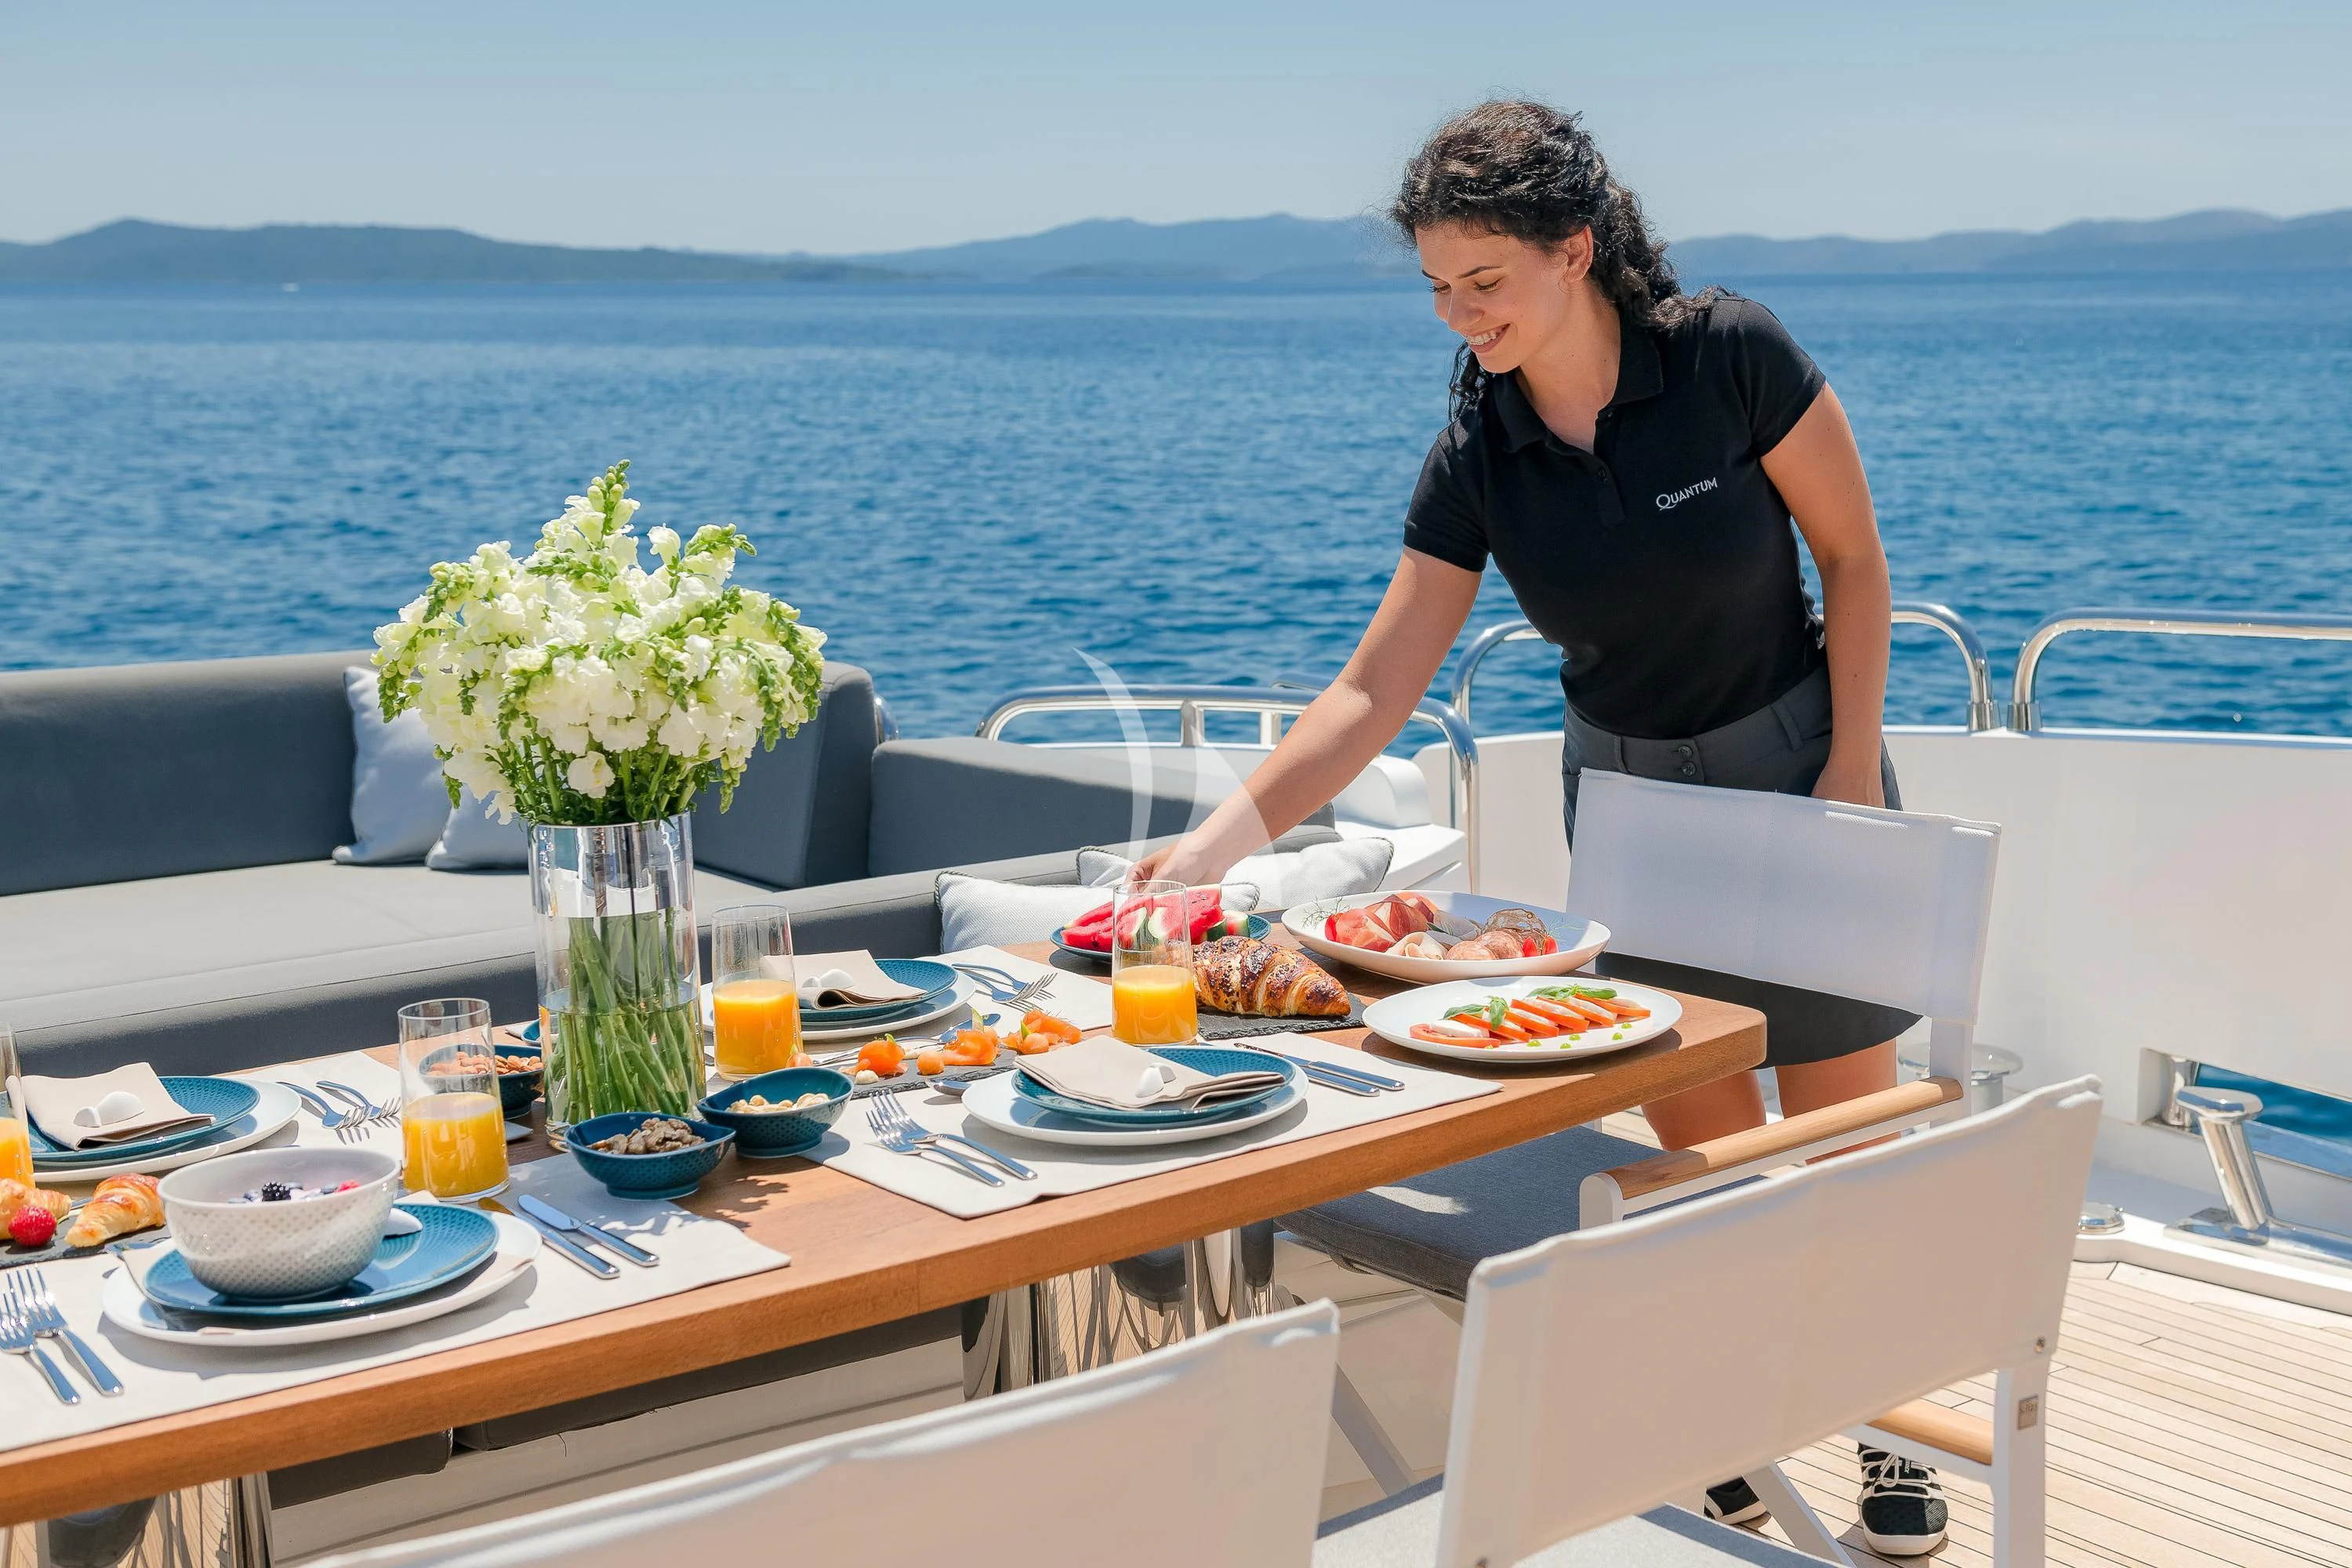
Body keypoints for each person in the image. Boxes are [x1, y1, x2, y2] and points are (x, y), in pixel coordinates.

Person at [1131, 100, 1947, 1556]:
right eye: (1438, 287)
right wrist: (1210, 848)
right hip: (1631, 811)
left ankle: (1893, 1431)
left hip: (1808, 768)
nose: (1459, 315)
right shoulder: (1481, 444)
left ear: (1575, 250)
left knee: (1843, 1139)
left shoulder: (1727, 357)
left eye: (1484, 281)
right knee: (1703, 1162)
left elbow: (1856, 563)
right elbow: (1378, 687)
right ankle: (1741, 1437)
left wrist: (1848, 780)